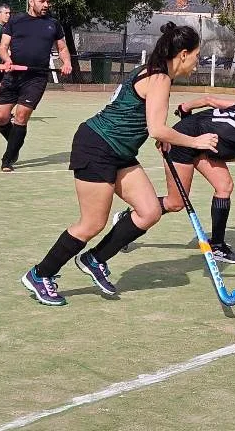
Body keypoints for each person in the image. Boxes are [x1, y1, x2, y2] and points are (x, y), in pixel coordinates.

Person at [21, 22, 218, 306]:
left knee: (149, 211)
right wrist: (195, 142)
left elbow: (148, 122)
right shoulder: (159, 78)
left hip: (120, 152)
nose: (197, 62)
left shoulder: (154, 72)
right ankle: (40, 274)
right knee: (92, 223)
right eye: (197, 55)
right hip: (97, 147)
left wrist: (165, 137)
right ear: (183, 54)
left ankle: (95, 259)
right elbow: (157, 129)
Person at [110, 99, 235, 264]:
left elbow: (209, 100)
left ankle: (217, 246)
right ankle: (129, 219)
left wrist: (185, 108)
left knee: (224, 186)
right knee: (176, 203)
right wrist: (224, 147)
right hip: (181, 143)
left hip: (198, 141)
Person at [0, 0, 71, 172]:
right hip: (13, 75)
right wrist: (7, 60)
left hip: (36, 78)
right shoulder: (15, 21)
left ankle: (8, 159)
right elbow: (3, 46)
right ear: (31, 2)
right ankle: (15, 142)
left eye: (47, 2)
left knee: (21, 116)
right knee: (1, 117)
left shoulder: (53, 24)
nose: (46, 5)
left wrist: (67, 62)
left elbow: (62, 48)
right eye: (42, 1)